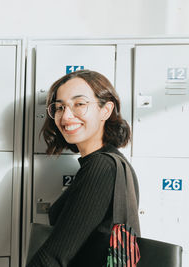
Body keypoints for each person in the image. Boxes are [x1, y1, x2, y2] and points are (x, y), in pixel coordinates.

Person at [27, 70, 140, 267]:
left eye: (79, 104)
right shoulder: (110, 163)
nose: (66, 116)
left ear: (105, 110)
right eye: (60, 107)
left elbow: (53, 257)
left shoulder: (101, 167)